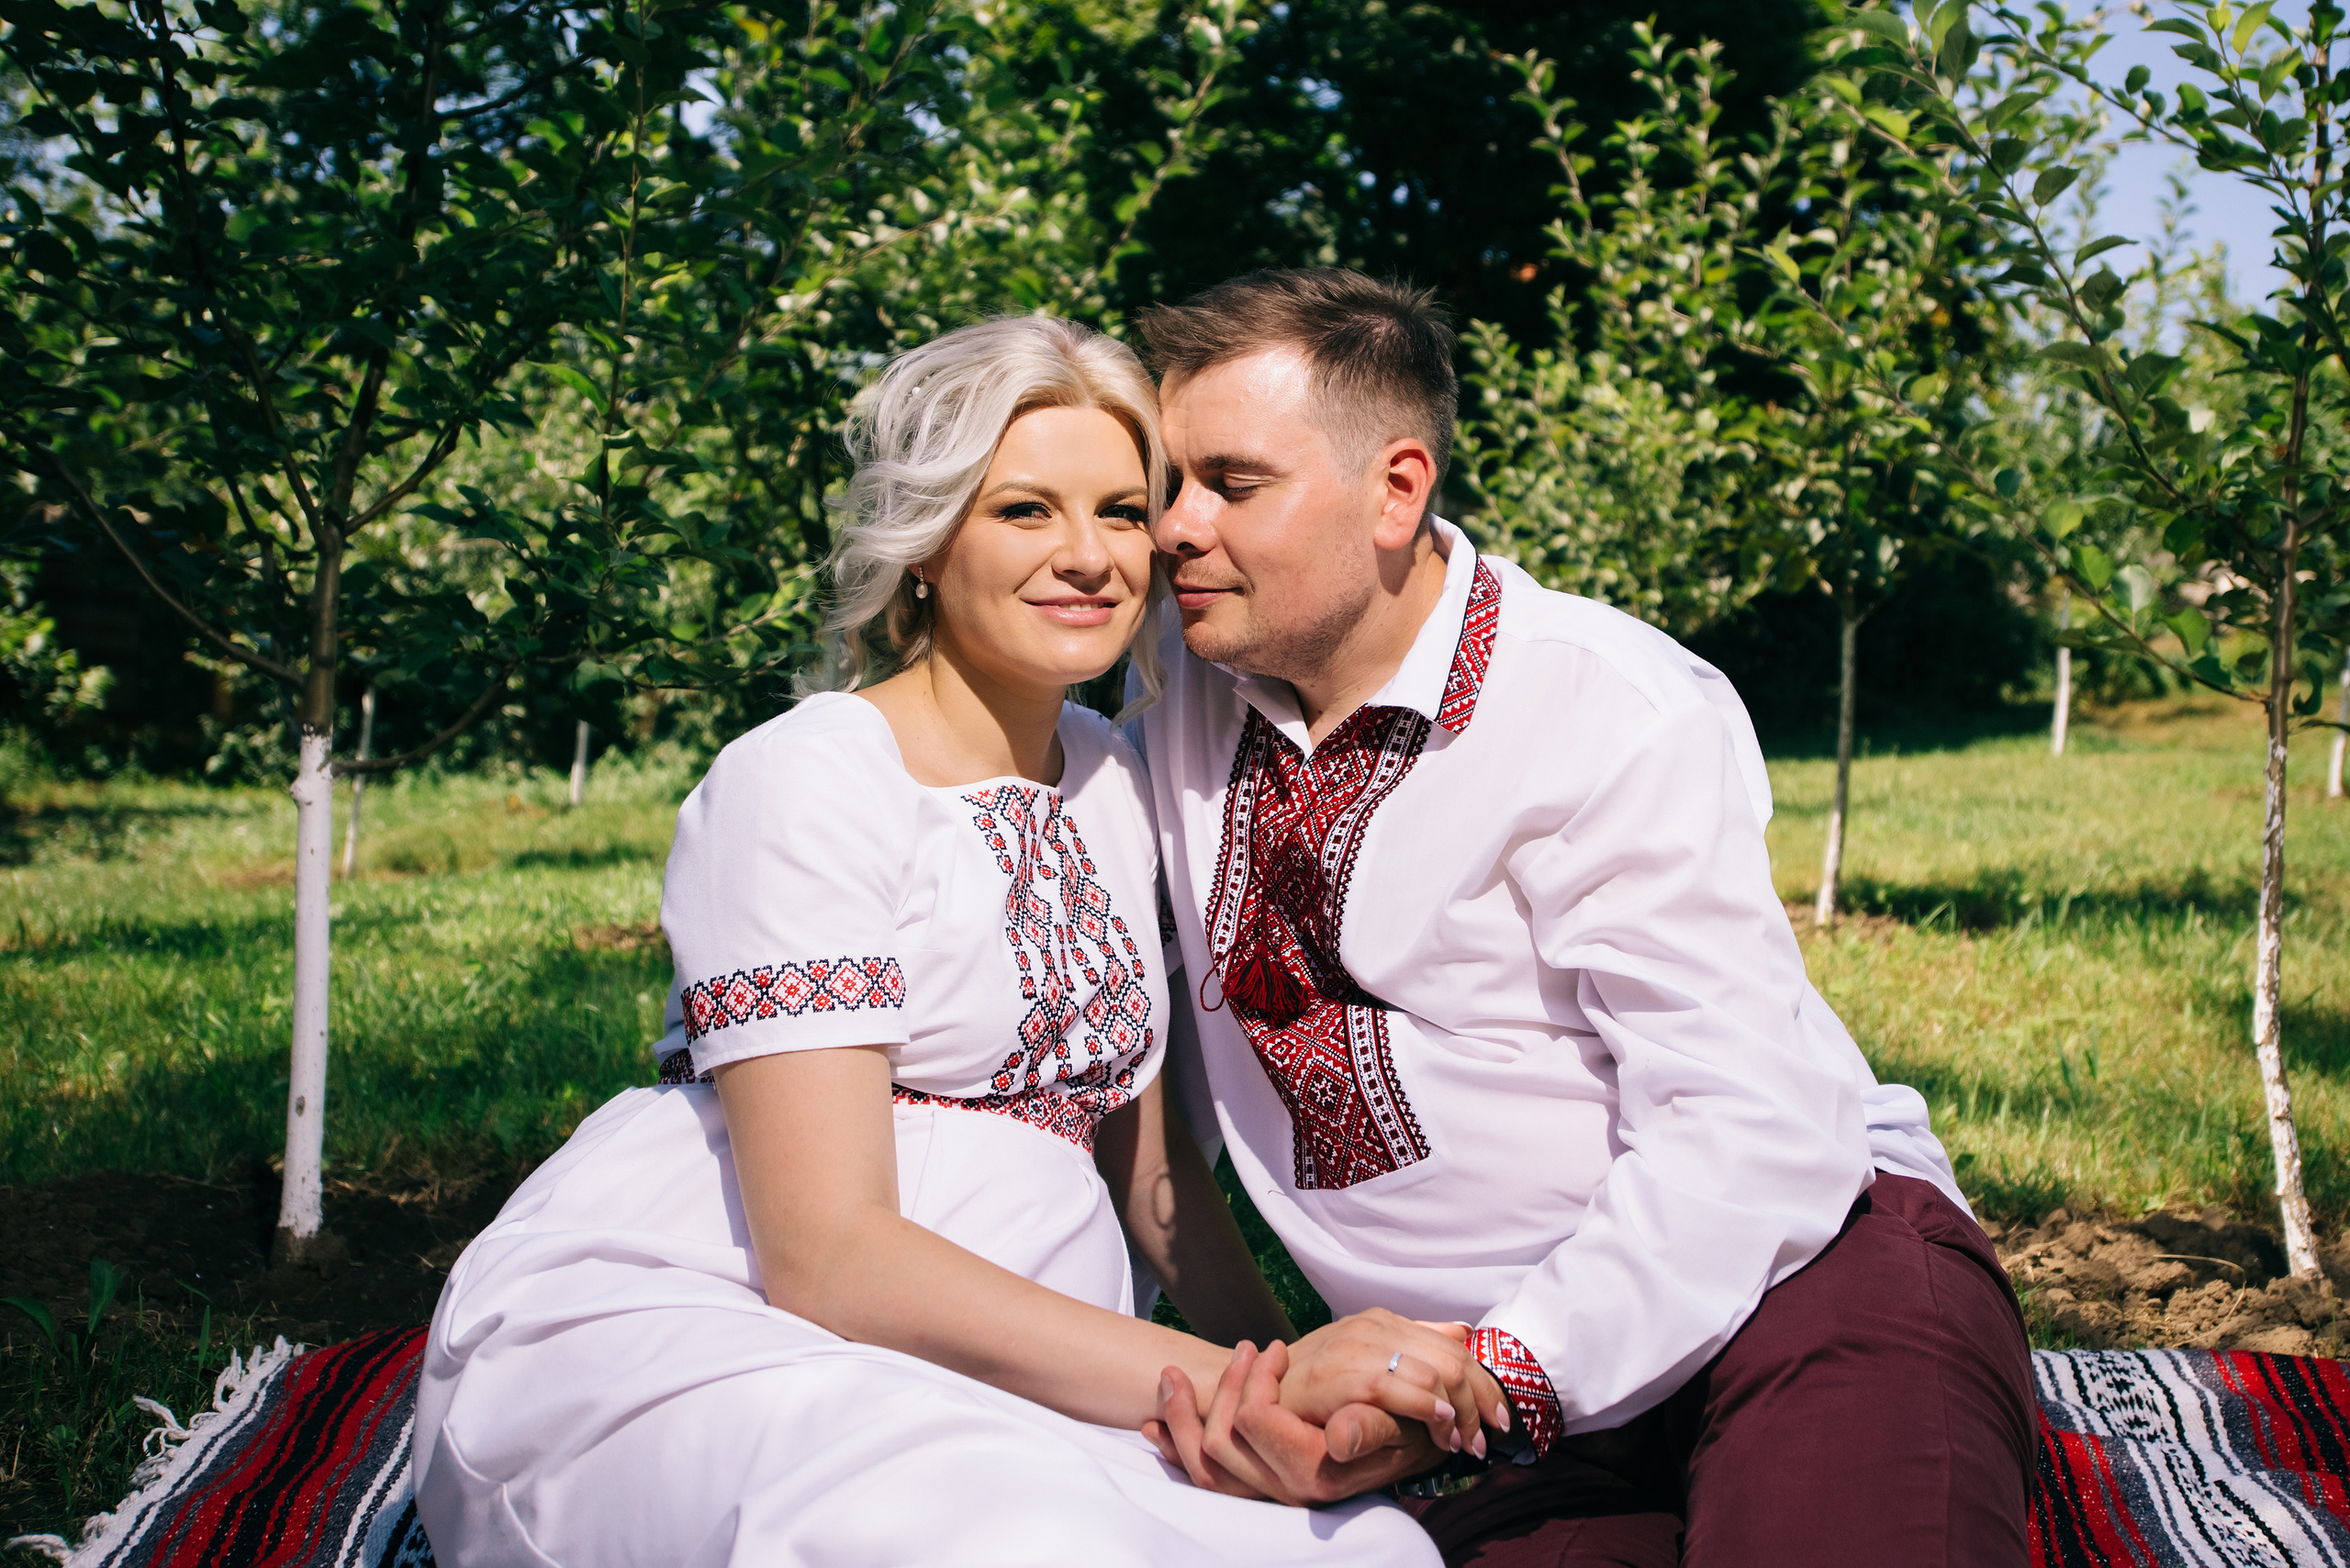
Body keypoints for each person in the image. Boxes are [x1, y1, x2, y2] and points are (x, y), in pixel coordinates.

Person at [409, 316, 1448, 1568]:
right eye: (1023, 511)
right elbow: (830, 1260)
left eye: (1123, 511)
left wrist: (1271, 1394)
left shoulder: (1116, 779)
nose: (1089, 557)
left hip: (1036, 1351)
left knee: (1372, 1551)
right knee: (985, 1539)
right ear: (923, 545)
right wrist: (1223, 1382)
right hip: (731, 1318)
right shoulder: (807, 781)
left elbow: (1152, 1176)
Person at [1124, 270, 2037, 1565]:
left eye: (1232, 482)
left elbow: (1751, 1127)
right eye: (1167, 485)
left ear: (1398, 489)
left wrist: (1488, 1383)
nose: (1173, 527)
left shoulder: (1607, 708)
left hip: (1801, 1274)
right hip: (1484, 1396)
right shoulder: (1182, 693)